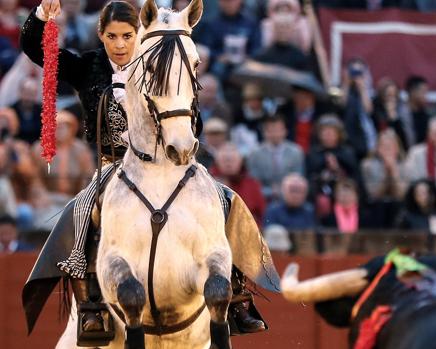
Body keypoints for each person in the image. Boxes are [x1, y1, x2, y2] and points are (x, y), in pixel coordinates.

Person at [21, 0, 269, 341]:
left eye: (127, 35)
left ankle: (237, 294)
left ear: (140, 33)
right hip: (114, 165)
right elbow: (37, 52)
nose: (121, 44)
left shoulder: (158, 59)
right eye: (112, 36)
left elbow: (185, 104)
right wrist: (40, 17)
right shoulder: (87, 66)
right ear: (101, 35)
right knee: (82, 209)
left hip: (170, 162)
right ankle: (92, 302)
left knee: (226, 199)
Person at [247, 115, 305, 201]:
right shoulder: (255, 154)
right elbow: (253, 183)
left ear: (285, 131)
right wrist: (270, 192)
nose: (275, 134)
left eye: (278, 130)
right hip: (263, 197)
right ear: (264, 132)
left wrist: (283, 191)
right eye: (271, 131)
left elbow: (299, 179)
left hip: (290, 198)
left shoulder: (296, 152)